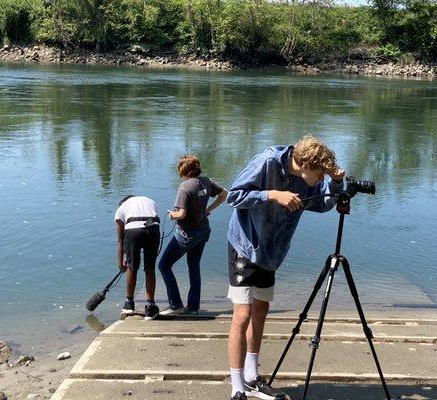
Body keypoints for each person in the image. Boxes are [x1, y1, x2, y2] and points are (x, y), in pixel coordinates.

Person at [226, 135, 345, 400]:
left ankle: (252, 377)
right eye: (320, 174)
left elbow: (323, 204)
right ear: (304, 164)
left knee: (261, 310)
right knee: (242, 315)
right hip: (245, 245)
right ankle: (237, 388)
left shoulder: (306, 180)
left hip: (271, 252)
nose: (321, 180)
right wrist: (272, 194)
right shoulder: (267, 162)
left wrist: (336, 183)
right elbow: (232, 197)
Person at [158, 155, 227, 315]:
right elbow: (224, 194)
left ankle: (176, 305)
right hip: (203, 232)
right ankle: (193, 308)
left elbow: (181, 214)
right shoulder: (207, 181)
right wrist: (208, 210)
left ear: (184, 170)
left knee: (164, 265)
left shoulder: (185, 187)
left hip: (186, 235)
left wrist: (171, 215)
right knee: (194, 268)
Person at [115, 195, 161, 320]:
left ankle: (129, 304)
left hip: (133, 231)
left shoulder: (120, 210)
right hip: (153, 228)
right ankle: (150, 308)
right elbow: (153, 219)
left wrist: (121, 263)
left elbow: (121, 240)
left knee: (132, 267)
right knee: (150, 268)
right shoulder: (150, 200)